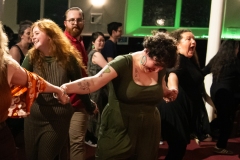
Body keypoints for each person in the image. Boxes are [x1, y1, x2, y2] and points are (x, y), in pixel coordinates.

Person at [58, 32, 179, 159]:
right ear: (147, 51)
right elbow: (94, 81)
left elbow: (162, 87)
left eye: (162, 67)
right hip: (120, 126)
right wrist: (65, 88)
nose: (158, 69)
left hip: (148, 129)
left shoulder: (160, 66)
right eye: (156, 64)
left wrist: (167, 92)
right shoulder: (123, 62)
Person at [21, 19, 95, 160]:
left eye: (36, 33)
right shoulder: (31, 56)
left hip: (58, 116)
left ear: (50, 35)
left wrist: (89, 106)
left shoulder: (68, 57)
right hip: (34, 116)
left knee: (46, 156)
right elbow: (22, 82)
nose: (32, 37)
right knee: (31, 156)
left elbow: (79, 85)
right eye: (31, 34)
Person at [0, 21, 68, 160]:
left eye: (37, 33)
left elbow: (34, 81)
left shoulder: (6, 65)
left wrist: (58, 90)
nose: (33, 37)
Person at [159, 28, 212, 159]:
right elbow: (173, 74)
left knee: (178, 147)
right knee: (178, 147)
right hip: (174, 106)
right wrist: (173, 89)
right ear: (177, 44)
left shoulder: (189, 61)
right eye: (188, 39)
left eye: (194, 39)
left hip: (182, 108)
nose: (193, 41)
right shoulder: (178, 58)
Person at [64, 7, 96, 159]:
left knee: (73, 144)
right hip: (70, 102)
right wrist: (88, 104)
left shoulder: (79, 41)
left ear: (83, 22)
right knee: (75, 145)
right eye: (71, 20)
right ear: (65, 23)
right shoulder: (64, 44)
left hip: (78, 101)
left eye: (79, 20)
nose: (75, 23)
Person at [202, 39, 240, 155]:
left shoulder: (217, 60)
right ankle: (219, 145)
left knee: (223, 118)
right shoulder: (235, 61)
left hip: (216, 92)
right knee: (227, 120)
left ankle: (203, 131)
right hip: (228, 94)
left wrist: (201, 90)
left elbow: (202, 72)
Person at [6, 20, 33, 147]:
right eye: (28, 33)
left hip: (29, 88)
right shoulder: (15, 49)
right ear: (21, 35)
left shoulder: (32, 50)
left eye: (33, 33)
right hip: (18, 90)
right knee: (15, 121)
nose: (31, 35)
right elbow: (14, 74)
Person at [85, 31, 108, 146]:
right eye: (100, 40)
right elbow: (109, 68)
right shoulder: (96, 54)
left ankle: (91, 137)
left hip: (93, 86)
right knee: (96, 112)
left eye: (103, 40)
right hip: (96, 88)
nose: (102, 42)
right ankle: (92, 137)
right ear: (93, 42)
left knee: (94, 111)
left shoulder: (91, 53)